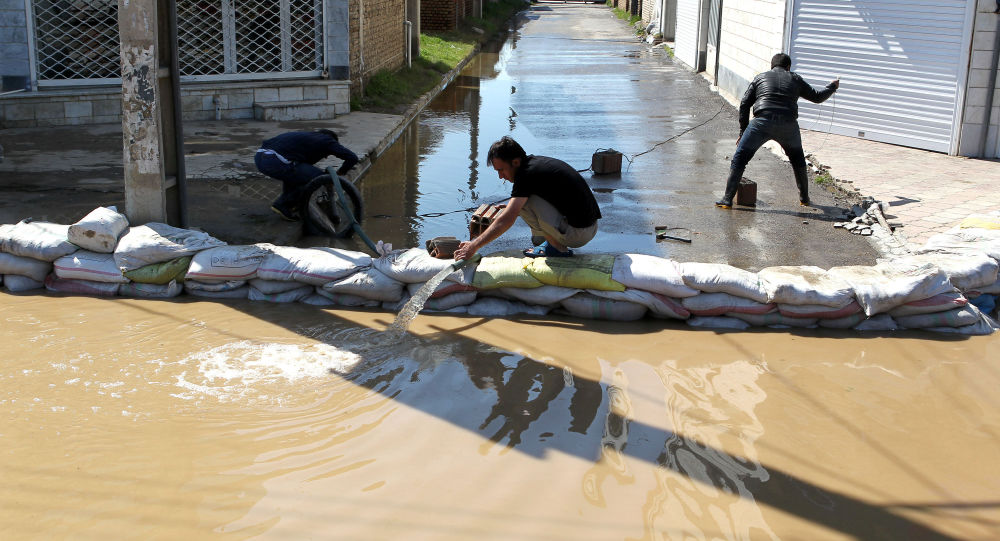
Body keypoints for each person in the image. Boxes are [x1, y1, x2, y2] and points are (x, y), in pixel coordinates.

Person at [716, 53, 839, 209]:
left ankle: (727, 200)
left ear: (772, 66)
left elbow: (745, 103)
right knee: (798, 160)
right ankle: (804, 198)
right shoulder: (795, 78)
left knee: (740, 158)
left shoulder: (760, 77)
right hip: (788, 125)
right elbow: (817, 97)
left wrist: (743, 132)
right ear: (788, 67)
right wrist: (832, 87)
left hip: (761, 122)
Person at [453, 136, 602, 260]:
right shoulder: (535, 165)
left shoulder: (525, 176)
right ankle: (549, 244)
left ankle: (555, 249)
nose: (501, 177)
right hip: (589, 228)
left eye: (501, 170)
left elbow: (506, 220)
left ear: (515, 162)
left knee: (521, 202)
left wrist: (474, 246)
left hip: (578, 234)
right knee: (518, 203)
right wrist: (510, 208)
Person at [254, 129, 359, 221]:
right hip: (273, 160)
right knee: (317, 178)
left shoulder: (308, 138)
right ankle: (282, 205)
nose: (326, 157)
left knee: (297, 173)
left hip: (260, 157)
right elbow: (352, 158)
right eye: (328, 154)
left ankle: (292, 204)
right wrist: (339, 173)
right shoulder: (328, 141)